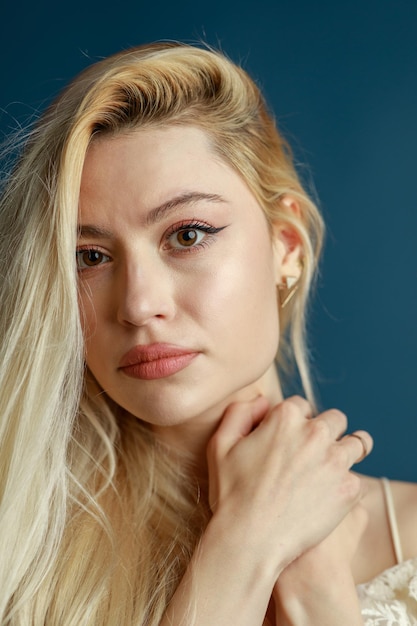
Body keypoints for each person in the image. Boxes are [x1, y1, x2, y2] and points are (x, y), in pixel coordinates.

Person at [0, 41, 416, 626]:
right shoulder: (17, 557)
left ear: (286, 248)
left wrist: (316, 591)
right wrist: (245, 547)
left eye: (188, 235)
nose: (140, 305)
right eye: (89, 256)